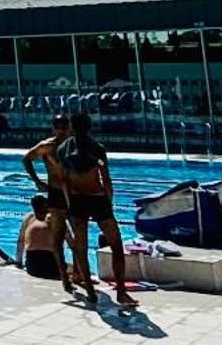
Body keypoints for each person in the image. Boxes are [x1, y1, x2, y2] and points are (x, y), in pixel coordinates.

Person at [57, 114, 136, 307]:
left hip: (77, 200)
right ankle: (121, 292)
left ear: (71, 128)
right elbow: (104, 176)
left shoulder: (62, 151)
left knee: (81, 247)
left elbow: (64, 180)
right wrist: (108, 200)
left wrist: (69, 203)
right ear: (90, 128)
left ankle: (91, 292)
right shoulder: (98, 150)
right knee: (116, 244)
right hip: (97, 199)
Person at [22, 115, 78, 291]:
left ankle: (77, 274)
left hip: (73, 193)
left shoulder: (75, 146)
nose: (61, 130)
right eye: (58, 127)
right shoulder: (47, 146)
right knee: (59, 236)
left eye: (64, 126)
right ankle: (64, 277)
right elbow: (26, 159)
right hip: (55, 193)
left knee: (78, 235)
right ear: (54, 128)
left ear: (69, 127)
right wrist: (37, 181)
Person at [16, 195, 64, 281]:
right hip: (52, 267)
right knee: (70, 268)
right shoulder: (55, 218)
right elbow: (70, 243)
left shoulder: (28, 218)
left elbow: (21, 241)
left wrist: (19, 262)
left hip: (32, 267)